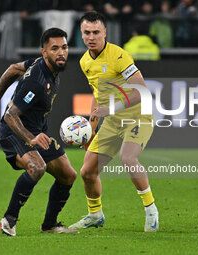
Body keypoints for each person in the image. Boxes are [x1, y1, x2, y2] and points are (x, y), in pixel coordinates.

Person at [0, 28, 78, 236]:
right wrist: (31, 138)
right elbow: (10, 116)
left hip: (36, 131)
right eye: (55, 48)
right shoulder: (37, 82)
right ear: (44, 52)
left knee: (68, 175)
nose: (61, 53)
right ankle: (9, 220)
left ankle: (49, 225)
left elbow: (13, 68)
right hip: (14, 133)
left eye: (64, 47)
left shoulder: (41, 65)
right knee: (37, 167)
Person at [68, 12, 159, 232]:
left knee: (128, 157)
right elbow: (97, 94)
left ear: (105, 32)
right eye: (87, 33)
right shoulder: (85, 61)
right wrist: (91, 129)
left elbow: (142, 90)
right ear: (81, 34)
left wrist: (112, 108)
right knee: (87, 171)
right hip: (112, 122)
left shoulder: (119, 56)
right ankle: (95, 214)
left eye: (96, 32)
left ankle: (151, 210)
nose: (91, 37)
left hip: (138, 115)